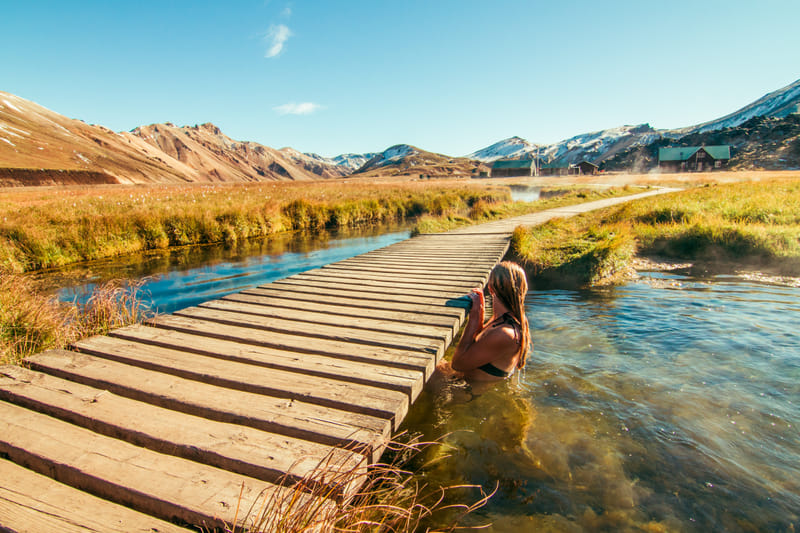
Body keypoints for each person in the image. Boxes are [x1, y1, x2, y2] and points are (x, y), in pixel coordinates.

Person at [450, 261, 531, 382]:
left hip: (464, 391)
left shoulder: (504, 333)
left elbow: (457, 364)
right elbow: (478, 342)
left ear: (490, 288)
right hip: (462, 382)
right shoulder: (509, 320)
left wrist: (473, 320)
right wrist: (480, 313)